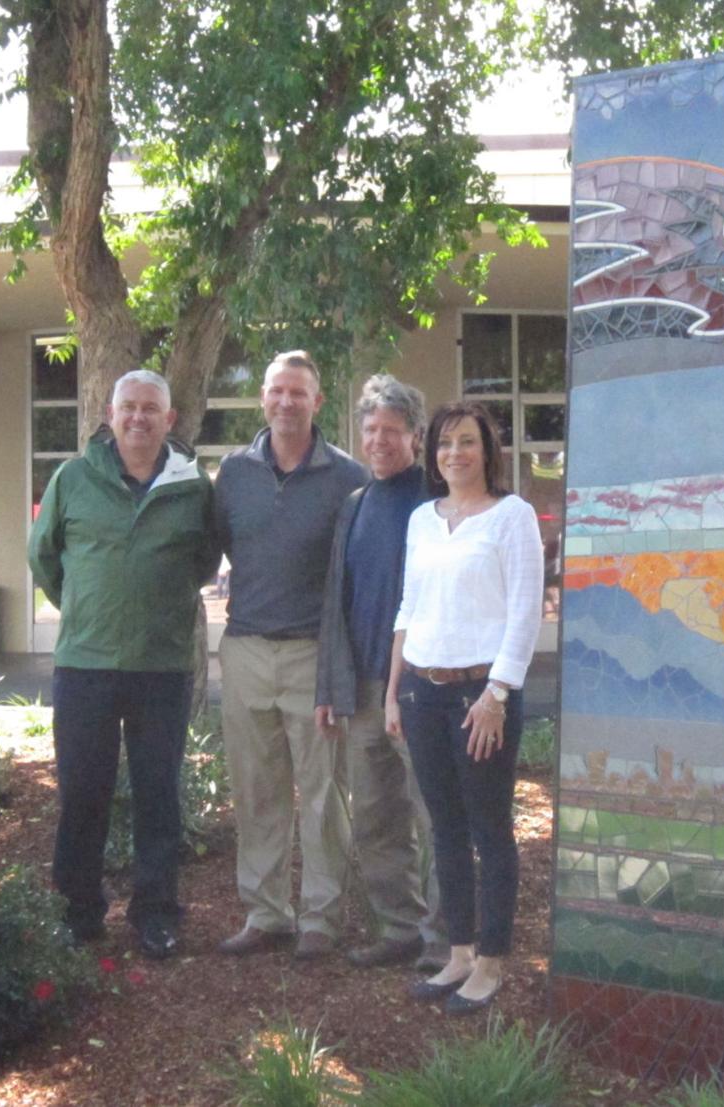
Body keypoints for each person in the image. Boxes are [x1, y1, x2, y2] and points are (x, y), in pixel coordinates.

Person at [27, 369, 218, 960]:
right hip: (85, 665)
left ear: (170, 420)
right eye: (128, 408)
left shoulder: (193, 488)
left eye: (150, 409)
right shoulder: (73, 478)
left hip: (161, 668)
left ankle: (155, 912)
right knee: (84, 791)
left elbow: (205, 564)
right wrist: (89, 609)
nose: (139, 418)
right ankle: (78, 910)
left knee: (158, 793)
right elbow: (44, 557)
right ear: (109, 416)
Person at [385, 401, 543, 1014]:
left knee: (489, 829)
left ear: (488, 450)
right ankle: (458, 953)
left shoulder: (512, 516)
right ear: (433, 454)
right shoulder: (423, 519)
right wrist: (394, 691)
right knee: (444, 830)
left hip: (482, 699)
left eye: (468, 442)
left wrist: (497, 695)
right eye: (446, 443)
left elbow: (525, 613)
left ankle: (493, 961)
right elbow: (407, 609)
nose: (456, 453)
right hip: (423, 691)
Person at [215, 350, 367, 962]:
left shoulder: (347, 477)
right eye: (276, 390)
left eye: (298, 393)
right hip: (246, 648)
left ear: (317, 402)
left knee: (324, 792)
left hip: (313, 655)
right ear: (262, 398)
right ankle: (265, 912)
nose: (285, 402)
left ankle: (322, 917)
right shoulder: (232, 473)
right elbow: (222, 547)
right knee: (256, 790)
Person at [315, 374, 446, 972]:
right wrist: (330, 689)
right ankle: (398, 930)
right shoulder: (355, 506)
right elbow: (335, 605)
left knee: (438, 816)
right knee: (376, 821)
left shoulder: (438, 502)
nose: (378, 440)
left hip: (426, 690)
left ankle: (448, 938)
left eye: (391, 430)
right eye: (370, 429)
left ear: (415, 437)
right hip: (365, 692)